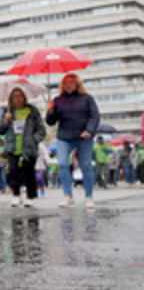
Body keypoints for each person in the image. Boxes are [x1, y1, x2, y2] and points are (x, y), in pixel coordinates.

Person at [46, 72, 100, 210]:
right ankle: (68, 196)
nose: (67, 85)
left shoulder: (87, 99)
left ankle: (89, 196)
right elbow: (51, 122)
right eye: (65, 83)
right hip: (64, 137)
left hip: (84, 136)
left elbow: (95, 116)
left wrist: (89, 130)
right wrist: (50, 111)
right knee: (63, 164)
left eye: (70, 82)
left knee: (86, 165)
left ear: (77, 84)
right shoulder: (58, 100)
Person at [0, 86, 45, 207]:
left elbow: (41, 130)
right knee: (13, 170)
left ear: (24, 97)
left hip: (28, 146)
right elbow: (0, 130)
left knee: (29, 171)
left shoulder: (32, 111)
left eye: (20, 96)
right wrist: (6, 120)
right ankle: (16, 195)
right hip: (13, 146)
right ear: (11, 98)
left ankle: (30, 196)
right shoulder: (7, 111)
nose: (18, 99)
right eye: (15, 96)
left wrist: (34, 140)